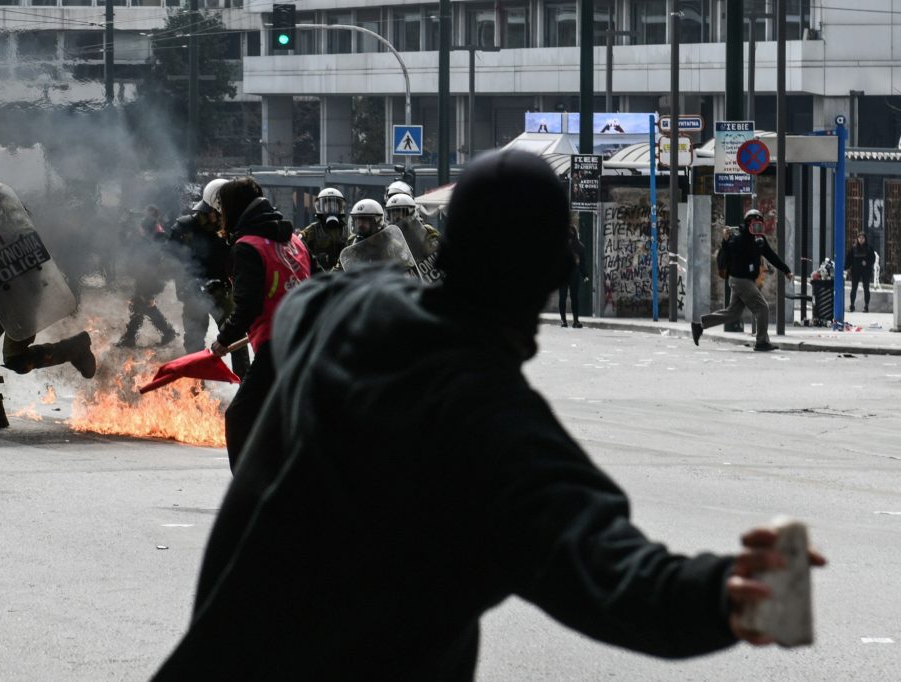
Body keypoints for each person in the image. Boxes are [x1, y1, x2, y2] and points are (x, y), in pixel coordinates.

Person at [153, 151, 825, 680]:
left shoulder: (334, 313)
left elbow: (297, 315)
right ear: (550, 279)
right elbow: (613, 576)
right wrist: (729, 593)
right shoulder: (496, 433)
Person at [0, 165, 97, 430]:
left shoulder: (6, 207)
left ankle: (74, 348)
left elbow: (20, 245)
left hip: (24, 288)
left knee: (16, 360)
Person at [209, 176, 310, 470]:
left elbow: (247, 306)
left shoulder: (247, 247)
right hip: (308, 339)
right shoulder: (295, 242)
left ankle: (246, 492)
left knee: (239, 417)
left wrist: (223, 339)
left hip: (278, 345)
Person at [168, 178, 250, 378]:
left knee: (236, 336)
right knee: (194, 343)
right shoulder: (184, 229)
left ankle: (245, 383)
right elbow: (171, 261)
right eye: (221, 214)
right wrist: (190, 283)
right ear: (211, 210)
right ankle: (197, 390)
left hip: (222, 291)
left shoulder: (230, 231)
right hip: (192, 293)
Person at [691, 209, 792, 352]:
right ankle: (762, 342)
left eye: (759, 224)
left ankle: (699, 325)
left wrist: (786, 270)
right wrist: (725, 241)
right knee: (762, 308)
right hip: (740, 280)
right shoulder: (738, 239)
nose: (756, 227)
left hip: (743, 280)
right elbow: (725, 254)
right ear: (747, 223)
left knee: (733, 313)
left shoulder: (760, 240)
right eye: (753, 224)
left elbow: (771, 255)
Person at [114, 205, 177, 348]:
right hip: (142, 274)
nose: (144, 219)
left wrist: (141, 235)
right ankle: (132, 337)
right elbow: (126, 243)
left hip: (151, 277)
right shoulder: (145, 229)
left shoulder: (159, 234)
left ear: (154, 218)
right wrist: (124, 226)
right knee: (140, 305)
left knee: (144, 304)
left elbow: (155, 255)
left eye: (147, 216)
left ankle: (166, 332)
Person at [297, 186, 348, 272]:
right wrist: (316, 258)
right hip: (320, 274)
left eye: (334, 206)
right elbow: (299, 248)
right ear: (320, 208)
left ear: (340, 208)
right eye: (328, 207)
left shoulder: (346, 230)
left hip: (342, 274)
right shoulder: (312, 230)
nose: (331, 209)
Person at [559, 225, 589, 328]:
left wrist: (585, 274)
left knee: (574, 298)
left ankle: (576, 320)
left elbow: (582, 263)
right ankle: (563, 320)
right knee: (562, 297)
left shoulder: (579, 247)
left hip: (574, 275)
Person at [845, 232, 874, 313]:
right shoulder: (853, 248)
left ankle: (866, 306)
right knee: (853, 289)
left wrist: (867, 263)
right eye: (859, 238)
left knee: (866, 289)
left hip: (866, 271)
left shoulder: (869, 248)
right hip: (855, 271)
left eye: (863, 238)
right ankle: (852, 305)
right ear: (857, 239)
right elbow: (849, 259)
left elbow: (873, 259)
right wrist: (847, 268)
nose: (861, 240)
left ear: (865, 239)